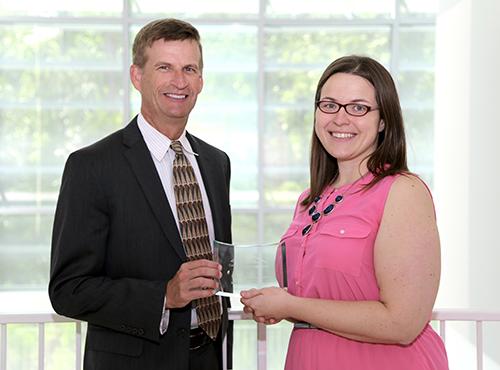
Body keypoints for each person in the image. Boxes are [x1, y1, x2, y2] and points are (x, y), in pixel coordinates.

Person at [241, 55, 448, 370]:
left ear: (383, 121)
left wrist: (292, 305)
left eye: (358, 107)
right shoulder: (308, 201)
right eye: (329, 105)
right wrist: (278, 306)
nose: (340, 118)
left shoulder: (403, 192)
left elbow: (403, 323)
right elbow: (317, 296)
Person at [49, 18, 232, 370]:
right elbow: (68, 290)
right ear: (137, 76)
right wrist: (163, 295)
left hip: (208, 357)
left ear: (201, 81)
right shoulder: (92, 166)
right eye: (165, 67)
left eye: (189, 69)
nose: (179, 81)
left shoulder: (215, 162)